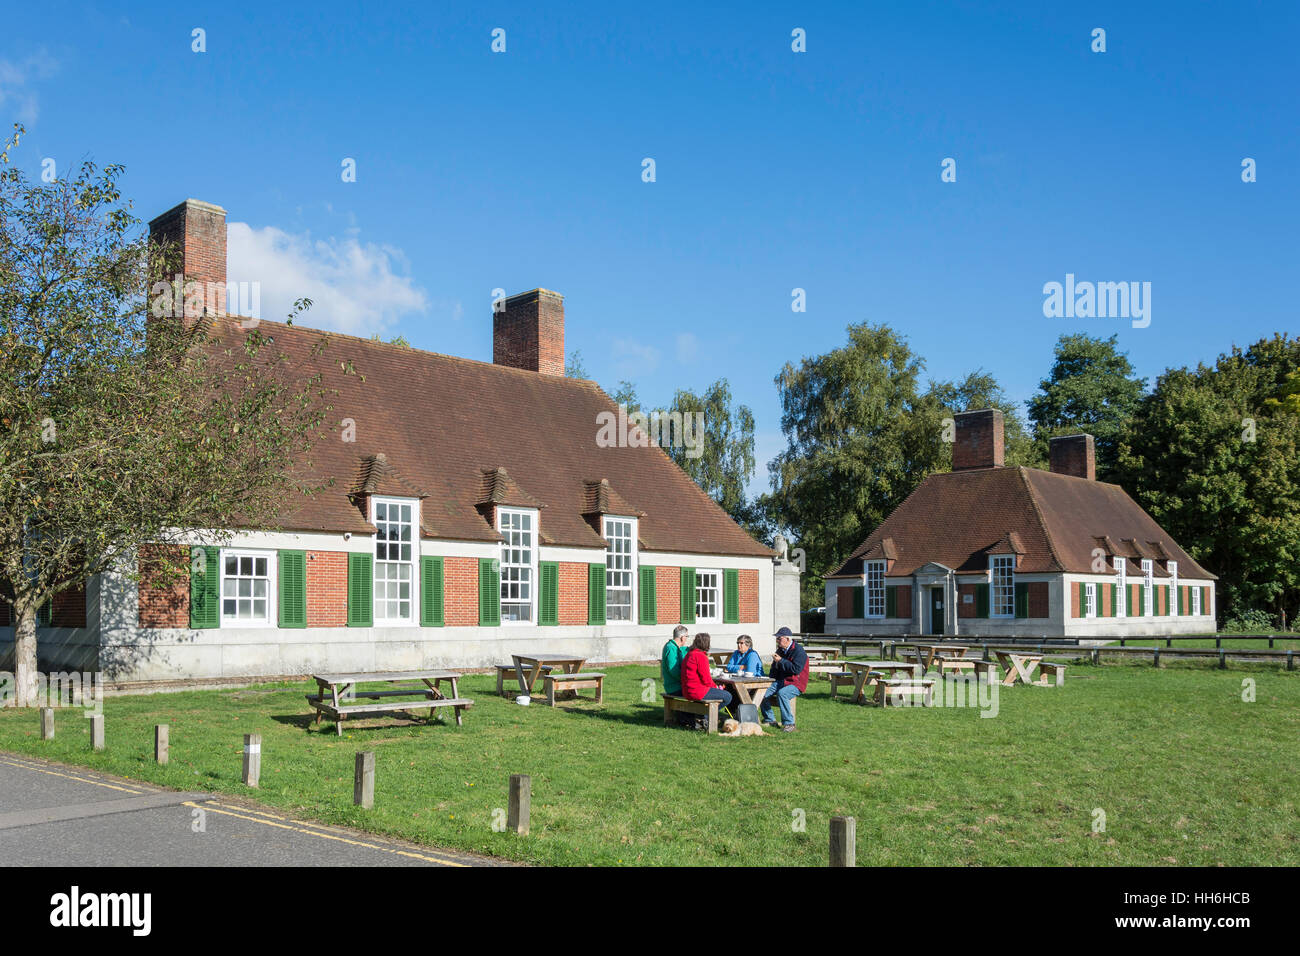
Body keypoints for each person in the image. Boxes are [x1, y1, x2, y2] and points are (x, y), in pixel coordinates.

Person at [761, 627, 808, 732]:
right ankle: (770, 720)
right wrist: (770, 680)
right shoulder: (780, 650)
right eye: (777, 638)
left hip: (796, 683)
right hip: (781, 681)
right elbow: (774, 668)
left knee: (782, 694)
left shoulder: (799, 651)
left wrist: (781, 661)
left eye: (779, 638)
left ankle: (789, 724)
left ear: (787, 639)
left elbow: (796, 669)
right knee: (761, 692)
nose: (777, 641)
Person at [681, 633, 735, 722]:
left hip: (687, 690)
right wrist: (716, 688)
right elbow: (706, 679)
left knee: (720, 694)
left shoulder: (689, 654)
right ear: (706, 643)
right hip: (696, 691)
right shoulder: (701, 656)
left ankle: (701, 716)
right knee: (728, 696)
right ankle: (705, 717)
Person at [660, 624, 690, 696]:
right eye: (687, 636)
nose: (686, 639)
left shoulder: (674, 647)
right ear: (682, 638)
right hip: (675, 688)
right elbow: (674, 671)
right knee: (701, 692)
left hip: (678, 686)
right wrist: (688, 680)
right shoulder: (671, 648)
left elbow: (683, 650)